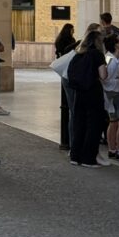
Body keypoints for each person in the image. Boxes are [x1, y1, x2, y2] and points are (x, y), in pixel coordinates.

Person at [67, 30, 107, 168]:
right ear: (98, 42)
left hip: (79, 93)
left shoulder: (78, 54)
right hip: (93, 92)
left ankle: (75, 156)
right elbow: (103, 75)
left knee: (79, 124)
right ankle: (88, 159)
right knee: (94, 126)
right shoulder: (97, 54)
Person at [55, 22, 77, 150]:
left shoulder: (59, 40)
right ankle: (67, 141)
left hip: (62, 70)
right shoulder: (71, 41)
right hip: (68, 70)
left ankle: (67, 142)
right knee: (70, 107)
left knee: (67, 106)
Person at [101, 33, 119, 159]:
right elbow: (105, 78)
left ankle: (112, 149)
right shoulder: (111, 59)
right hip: (113, 94)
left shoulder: (113, 58)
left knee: (113, 122)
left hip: (111, 94)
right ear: (116, 44)